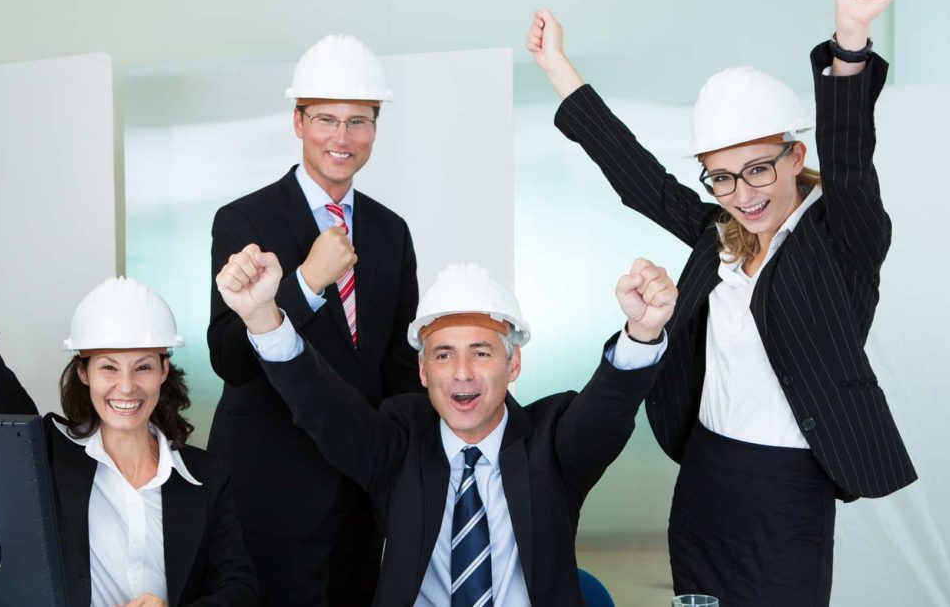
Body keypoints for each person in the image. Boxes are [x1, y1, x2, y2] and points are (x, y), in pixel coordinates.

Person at [525, 0, 916, 605]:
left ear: (795, 154)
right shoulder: (720, 238)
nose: (742, 191)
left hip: (789, 488)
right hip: (706, 477)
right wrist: (559, 67)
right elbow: (638, 177)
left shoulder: (845, 240)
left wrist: (851, 39)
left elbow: (850, 159)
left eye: (759, 167)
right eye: (721, 175)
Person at [216, 245, 676, 606]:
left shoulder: (551, 442)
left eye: (481, 352)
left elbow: (606, 410)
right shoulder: (398, 442)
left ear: (512, 365)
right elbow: (323, 407)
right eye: (443, 354)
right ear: (423, 373)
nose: (461, 373)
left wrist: (643, 334)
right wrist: (262, 317)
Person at [0, 182, 258, 607]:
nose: (126, 386)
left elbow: (239, 590)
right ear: (84, 373)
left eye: (143, 367)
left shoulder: (205, 477)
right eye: (108, 367)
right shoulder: (48, 459)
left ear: (165, 371)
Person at [206, 34, 421, 606]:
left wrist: (405, 472)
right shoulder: (242, 219)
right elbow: (227, 359)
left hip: (360, 496)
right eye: (326, 118)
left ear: (376, 128)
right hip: (269, 493)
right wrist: (305, 283)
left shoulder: (390, 232)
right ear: (297, 121)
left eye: (359, 121)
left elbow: (397, 369)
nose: (342, 138)